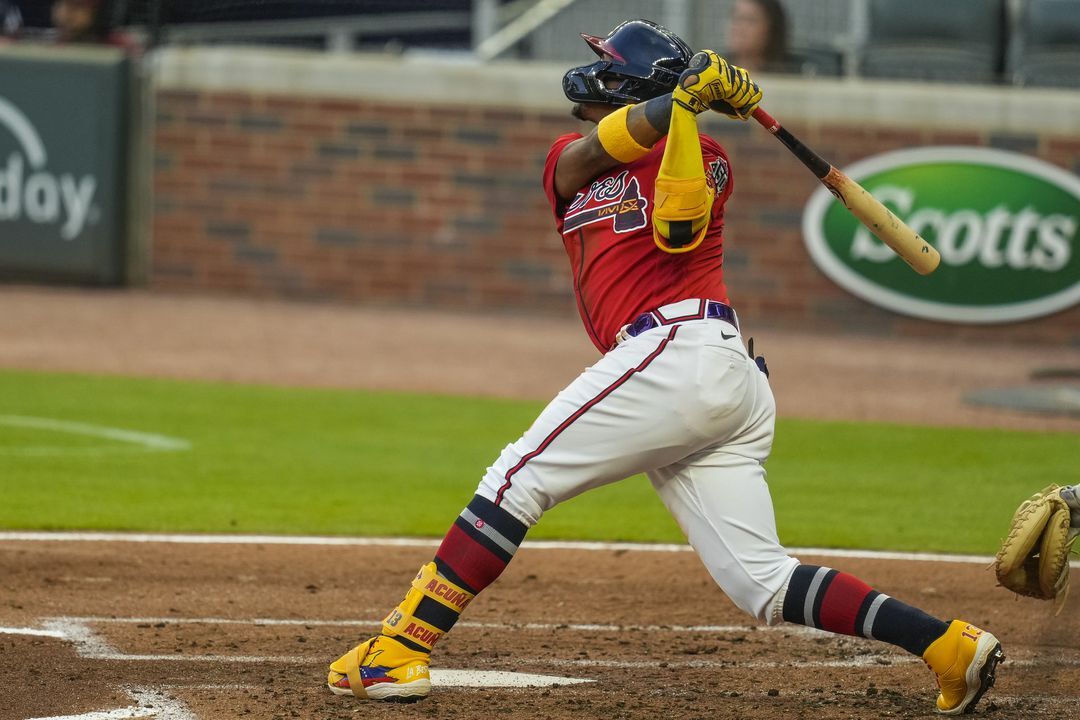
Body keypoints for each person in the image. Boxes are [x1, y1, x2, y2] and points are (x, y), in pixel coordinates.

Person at [325, 19, 1004, 715]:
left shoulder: (707, 157)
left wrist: (683, 111)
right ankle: (948, 646)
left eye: (610, 66)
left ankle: (400, 649)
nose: (596, 73)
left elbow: (677, 229)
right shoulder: (570, 159)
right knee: (761, 584)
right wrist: (676, 101)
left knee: (516, 480)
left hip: (684, 355)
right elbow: (591, 152)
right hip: (696, 374)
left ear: (633, 83)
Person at [725, 0, 795, 73]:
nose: (737, 26)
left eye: (750, 20)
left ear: (772, 29)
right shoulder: (716, 69)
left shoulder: (794, 76)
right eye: (735, 17)